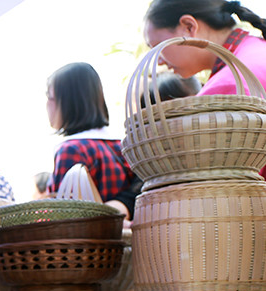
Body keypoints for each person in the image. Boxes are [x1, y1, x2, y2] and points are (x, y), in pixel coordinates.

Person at [46, 62, 140, 220]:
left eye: (50, 97)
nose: (47, 104)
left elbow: (62, 215)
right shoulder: (123, 145)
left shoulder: (71, 150)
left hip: (88, 241)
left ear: (69, 103)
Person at [143, 0, 266, 96]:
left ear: (189, 27)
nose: (159, 62)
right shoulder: (257, 48)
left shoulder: (229, 84)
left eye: (158, 46)